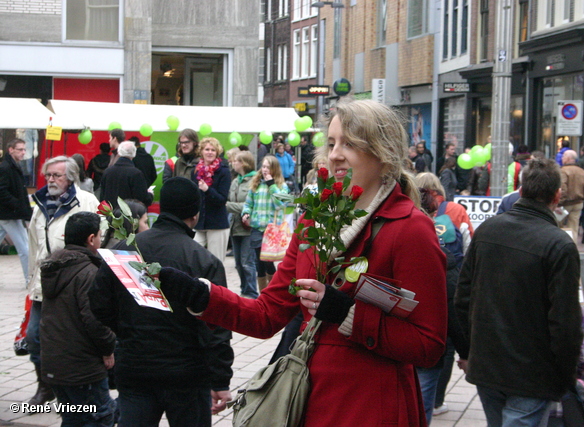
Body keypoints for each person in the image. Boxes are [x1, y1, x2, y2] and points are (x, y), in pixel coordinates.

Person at [157, 99, 448, 426]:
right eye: (332, 142)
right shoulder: (315, 221)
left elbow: (429, 345)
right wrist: (201, 295)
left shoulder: (410, 229)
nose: (335, 153)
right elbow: (267, 315)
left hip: (372, 407)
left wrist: (348, 314)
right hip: (312, 401)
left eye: (350, 143)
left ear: (383, 154)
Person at [90, 177, 234, 427]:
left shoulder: (126, 251)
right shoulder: (204, 260)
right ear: (195, 214)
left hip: (136, 367)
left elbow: (99, 303)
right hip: (187, 372)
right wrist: (220, 380)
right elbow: (217, 325)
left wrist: (126, 329)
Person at [455, 158, 584, 427]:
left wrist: (467, 351)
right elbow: (565, 321)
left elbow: (463, 297)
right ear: (557, 196)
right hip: (532, 373)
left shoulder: (488, 229)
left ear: (521, 190)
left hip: (490, 364)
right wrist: (566, 374)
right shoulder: (559, 245)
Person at [27, 156, 99, 406]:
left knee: (72, 338)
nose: (50, 180)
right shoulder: (40, 204)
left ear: (71, 177)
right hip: (44, 282)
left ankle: (73, 390)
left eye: (56, 175)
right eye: (48, 175)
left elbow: (100, 238)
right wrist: (31, 279)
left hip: (75, 280)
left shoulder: (87, 201)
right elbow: (34, 245)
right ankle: (45, 385)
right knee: (34, 336)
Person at [40, 212, 117, 426]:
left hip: (55, 362)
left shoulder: (55, 268)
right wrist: (108, 348)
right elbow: (94, 320)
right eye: (100, 236)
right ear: (91, 239)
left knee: (73, 418)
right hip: (83, 368)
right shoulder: (89, 273)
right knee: (99, 417)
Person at [416, 188, 470, 422]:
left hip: (392, 347)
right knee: (421, 406)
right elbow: (453, 309)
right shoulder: (443, 261)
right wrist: (467, 352)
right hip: (426, 349)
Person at [241, 154, 289, 291]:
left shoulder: (282, 186)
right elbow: (248, 204)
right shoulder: (256, 184)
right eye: (263, 166)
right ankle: (262, 292)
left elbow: (280, 205)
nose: (265, 169)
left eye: (268, 167)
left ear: (274, 169)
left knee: (268, 261)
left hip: (272, 230)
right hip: (257, 227)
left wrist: (271, 185)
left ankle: (273, 289)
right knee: (259, 263)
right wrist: (245, 213)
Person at [193, 137, 232, 263]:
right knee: (192, 254)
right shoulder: (196, 170)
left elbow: (222, 199)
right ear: (202, 152)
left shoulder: (224, 171)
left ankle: (216, 283)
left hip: (217, 224)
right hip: (199, 223)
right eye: (207, 149)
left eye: (213, 150)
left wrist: (207, 189)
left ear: (217, 153)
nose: (209, 152)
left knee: (216, 263)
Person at [227, 150, 258, 298]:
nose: (233, 163)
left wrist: (229, 206)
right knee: (238, 263)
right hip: (235, 226)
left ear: (244, 163)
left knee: (247, 263)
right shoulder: (235, 181)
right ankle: (243, 290)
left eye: (236, 161)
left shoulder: (255, 181)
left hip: (248, 228)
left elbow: (250, 205)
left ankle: (251, 292)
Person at [0, 138, 32, 284]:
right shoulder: (7, 167)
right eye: (20, 149)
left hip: (9, 212)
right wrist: (17, 205)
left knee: (24, 246)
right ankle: (29, 278)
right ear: (11, 150)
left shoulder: (12, 166)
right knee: (24, 247)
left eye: (24, 149)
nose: (23, 152)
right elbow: (2, 191)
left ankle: (29, 277)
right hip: (10, 213)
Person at [100, 140, 153, 207]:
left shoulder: (107, 172)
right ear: (134, 154)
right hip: (130, 214)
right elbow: (143, 199)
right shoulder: (136, 174)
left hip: (111, 214)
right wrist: (150, 194)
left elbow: (102, 197)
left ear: (119, 152)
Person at [558, 149, 584, 242]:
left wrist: (559, 203)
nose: (562, 158)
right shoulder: (582, 171)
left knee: (558, 225)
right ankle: (573, 248)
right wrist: (583, 198)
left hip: (564, 204)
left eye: (563, 156)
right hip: (578, 203)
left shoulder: (563, 171)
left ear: (568, 158)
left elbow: (562, 188)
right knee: (574, 228)